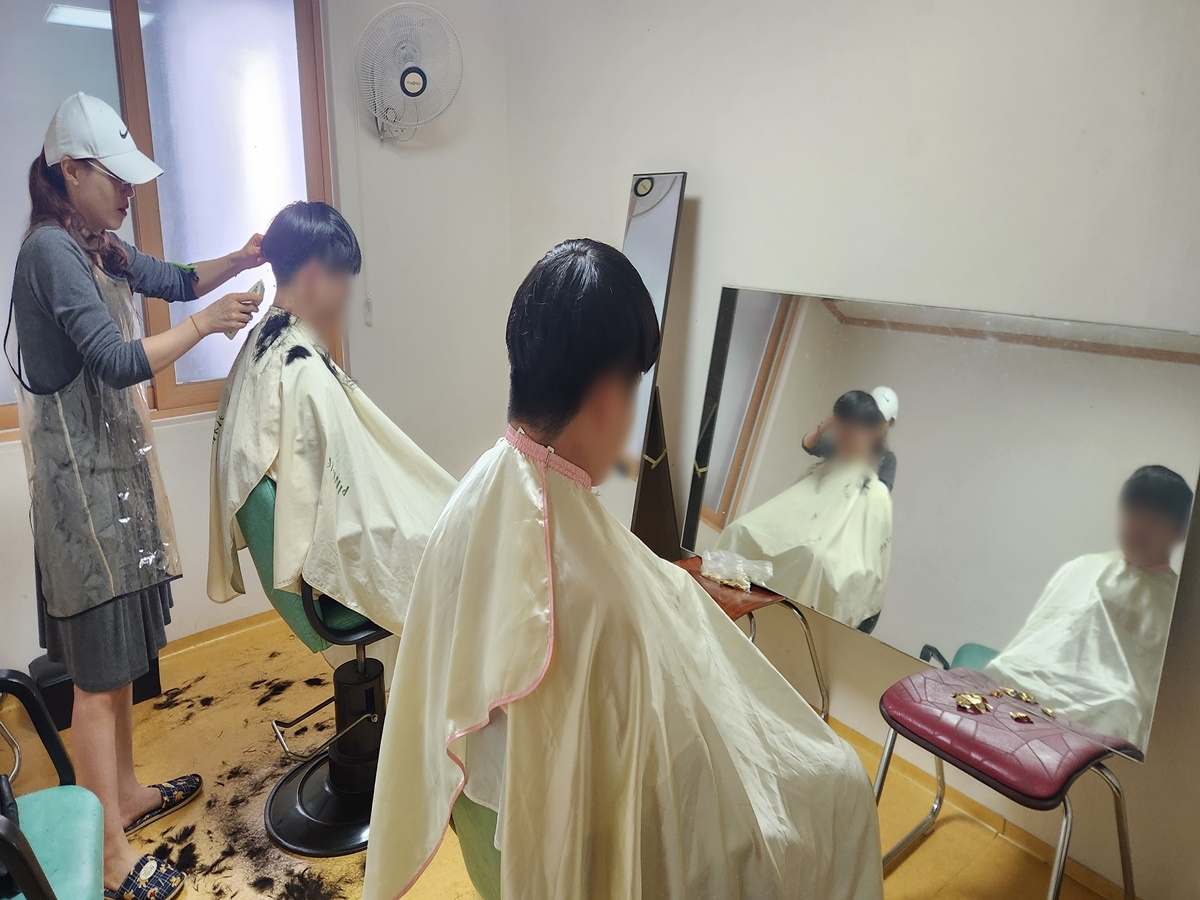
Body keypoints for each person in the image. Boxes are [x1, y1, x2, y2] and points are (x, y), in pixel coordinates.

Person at [363, 239, 883, 900]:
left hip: (488, 812)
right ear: (611, 397)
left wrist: (672, 592)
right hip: (569, 836)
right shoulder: (586, 588)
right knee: (835, 781)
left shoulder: (481, 490)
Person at [5, 93, 264, 899]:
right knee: (93, 677)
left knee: (118, 662)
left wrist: (242, 258)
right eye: (114, 178)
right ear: (69, 171)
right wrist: (208, 325)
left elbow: (169, 278)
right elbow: (118, 361)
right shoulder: (50, 252)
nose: (127, 192)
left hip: (112, 485)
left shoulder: (97, 244)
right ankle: (111, 859)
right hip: (80, 500)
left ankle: (120, 798)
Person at [209, 200, 455, 638]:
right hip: (328, 568)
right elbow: (340, 493)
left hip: (327, 541)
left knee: (448, 517)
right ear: (315, 277)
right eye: (344, 280)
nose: (347, 295)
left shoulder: (263, 347)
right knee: (462, 544)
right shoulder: (298, 365)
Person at [984, 465, 1193, 748]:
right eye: (1133, 511)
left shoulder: (1179, 610)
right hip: (1042, 679)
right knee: (1005, 669)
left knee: (1121, 712)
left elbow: (1151, 694)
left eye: (1154, 518)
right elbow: (1037, 641)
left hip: (1112, 709)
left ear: (1179, 532)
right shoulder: (1082, 568)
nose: (1139, 526)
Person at [719, 389, 894, 633]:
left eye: (849, 431)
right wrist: (827, 425)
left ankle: (786, 631)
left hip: (836, 556)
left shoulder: (877, 488)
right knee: (740, 530)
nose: (842, 437)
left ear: (868, 433)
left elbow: (866, 557)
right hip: (811, 534)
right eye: (840, 429)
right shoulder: (830, 462)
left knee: (814, 559)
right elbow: (809, 444)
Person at [803, 386, 898, 491]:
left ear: (890, 424)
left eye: (879, 420)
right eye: (871, 418)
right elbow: (808, 444)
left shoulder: (887, 459)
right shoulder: (847, 442)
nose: (874, 424)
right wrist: (826, 424)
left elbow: (880, 493)